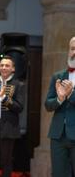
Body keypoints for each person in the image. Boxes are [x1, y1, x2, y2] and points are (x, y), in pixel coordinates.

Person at [45, 36, 75, 177]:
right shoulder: (58, 76)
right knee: (58, 174)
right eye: (72, 49)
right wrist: (60, 98)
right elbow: (48, 105)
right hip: (58, 136)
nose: (74, 52)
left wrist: (70, 95)